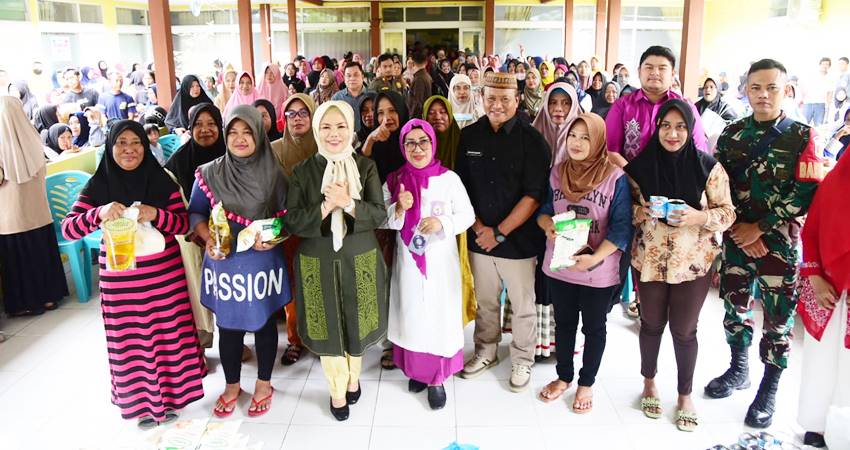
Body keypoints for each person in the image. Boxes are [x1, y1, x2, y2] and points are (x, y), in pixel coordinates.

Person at [61, 120, 205, 428]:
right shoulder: (98, 185)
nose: (129, 149)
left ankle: (171, 401)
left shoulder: (161, 180)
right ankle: (142, 404)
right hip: (121, 286)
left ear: (145, 146)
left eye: (136, 142)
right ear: (110, 148)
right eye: (121, 143)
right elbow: (69, 228)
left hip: (164, 281)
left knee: (169, 338)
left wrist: (155, 214)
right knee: (132, 344)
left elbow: (182, 225)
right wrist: (97, 213)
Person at [707, 58, 823, 428]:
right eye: (756, 87)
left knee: (778, 322)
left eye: (771, 87)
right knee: (734, 308)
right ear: (746, 90)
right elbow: (716, 188)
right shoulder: (731, 135)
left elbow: (807, 193)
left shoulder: (803, 137)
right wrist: (740, 228)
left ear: (786, 90)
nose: (763, 95)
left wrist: (762, 227)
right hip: (737, 238)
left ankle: (768, 389)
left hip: (780, 244)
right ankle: (738, 370)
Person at [625, 99, 735, 432]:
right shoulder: (640, 166)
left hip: (693, 264)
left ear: (691, 129)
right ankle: (648, 382)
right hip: (650, 261)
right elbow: (624, 209)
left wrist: (699, 216)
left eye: (680, 126)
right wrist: (640, 212)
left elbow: (728, 213)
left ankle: (685, 394)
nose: (672, 134)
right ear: (656, 128)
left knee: (685, 331)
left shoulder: (708, 167)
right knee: (650, 324)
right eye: (665, 126)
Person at [284, 101, 388, 421]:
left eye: (340, 126)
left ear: (351, 129)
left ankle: (354, 377)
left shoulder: (366, 166)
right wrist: (325, 209)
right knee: (328, 328)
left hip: (359, 257)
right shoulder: (303, 171)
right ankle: (337, 390)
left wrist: (349, 204)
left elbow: (379, 214)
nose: (333, 134)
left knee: (357, 323)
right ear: (317, 130)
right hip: (318, 260)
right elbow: (292, 220)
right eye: (326, 127)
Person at [189, 105, 290, 419]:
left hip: (262, 261)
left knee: (263, 324)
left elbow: (287, 218)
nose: (240, 138)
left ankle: (263, 383)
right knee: (228, 326)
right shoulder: (210, 172)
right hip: (225, 262)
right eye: (233, 131)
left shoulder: (274, 172)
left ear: (259, 135)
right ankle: (232, 385)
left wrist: (275, 236)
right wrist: (209, 239)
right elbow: (195, 213)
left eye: (247, 131)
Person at [456, 72, 551, 391]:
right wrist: (481, 229)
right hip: (479, 237)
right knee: (486, 301)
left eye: (504, 99)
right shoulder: (469, 136)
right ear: (482, 98)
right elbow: (462, 189)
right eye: (491, 98)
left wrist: (499, 232)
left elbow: (533, 194)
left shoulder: (533, 139)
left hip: (519, 241)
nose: (497, 105)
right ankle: (486, 351)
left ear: (517, 99)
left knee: (523, 306)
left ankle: (523, 359)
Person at [535, 113, 631, 412]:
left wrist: (594, 258)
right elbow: (544, 209)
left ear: (599, 140)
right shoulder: (557, 172)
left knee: (593, 327)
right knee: (563, 323)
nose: (577, 143)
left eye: (585, 137)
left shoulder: (615, 177)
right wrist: (547, 225)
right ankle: (563, 377)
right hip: (561, 265)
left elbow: (622, 228)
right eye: (573, 136)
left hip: (597, 271)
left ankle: (586, 382)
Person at [384, 119, 474, 410]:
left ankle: (436, 378)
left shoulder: (449, 179)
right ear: (403, 147)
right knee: (411, 314)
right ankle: (417, 372)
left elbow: (468, 216)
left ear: (433, 143)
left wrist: (442, 222)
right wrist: (399, 207)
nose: (418, 148)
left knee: (438, 317)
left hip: (440, 264)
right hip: (408, 263)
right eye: (410, 143)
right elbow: (383, 220)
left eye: (424, 142)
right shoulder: (394, 179)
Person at [796, 152, 850, 448]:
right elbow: (812, 231)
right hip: (828, 289)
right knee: (821, 363)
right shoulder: (835, 182)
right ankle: (816, 424)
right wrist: (815, 277)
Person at [163, 103, 226, 351]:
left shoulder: (229, 155)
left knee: (225, 289)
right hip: (189, 237)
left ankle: (232, 339)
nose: (205, 130)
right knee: (198, 289)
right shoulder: (178, 162)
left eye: (211, 124)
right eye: (198, 125)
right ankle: (201, 341)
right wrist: (195, 229)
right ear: (189, 128)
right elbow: (170, 200)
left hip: (226, 236)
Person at [0, 96, 68, 316]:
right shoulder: (33, 137)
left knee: (19, 260)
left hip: (12, 219)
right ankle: (49, 297)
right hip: (39, 214)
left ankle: (26, 303)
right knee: (40, 253)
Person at [423, 95, 477, 327]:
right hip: (426, 222)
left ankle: (454, 322)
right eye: (431, 113)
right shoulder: (420, 145)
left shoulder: (462, 142)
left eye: (442, 112)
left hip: (457, 220)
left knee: (455, 269)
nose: (438, 117)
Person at [361, 91, 410, 184]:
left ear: (401, 110)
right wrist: (370, 139)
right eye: (380, 113)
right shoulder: (375, 141)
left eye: (392, 110)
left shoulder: (413, 139)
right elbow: (362, 167)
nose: (386, 118)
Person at [332, 62, 373, 131]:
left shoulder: (373, 96)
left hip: (370, 137)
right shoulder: (337, 98)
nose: (352, 78)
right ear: (344, 78)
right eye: (348, 75)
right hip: (345, 138)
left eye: (356, 75)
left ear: (362, 76)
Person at [802, 57, 834, 126]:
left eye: (827, 64)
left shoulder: (830, 78)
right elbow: (804, 88)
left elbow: (830, 93)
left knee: (818, 126)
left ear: (829, 66)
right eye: (823, 64)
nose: (825, 66)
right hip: (808, 103)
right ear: (820, 65)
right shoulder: (812, 74)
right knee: (803, 124)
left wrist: (828, 106)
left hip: (820, 105)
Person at [407, 50, 433, 119]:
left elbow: (418, 102)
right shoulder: (426, 75)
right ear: (426, 62)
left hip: (418, 118)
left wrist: (412, 119)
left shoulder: (419, 79)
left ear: (413, 63)